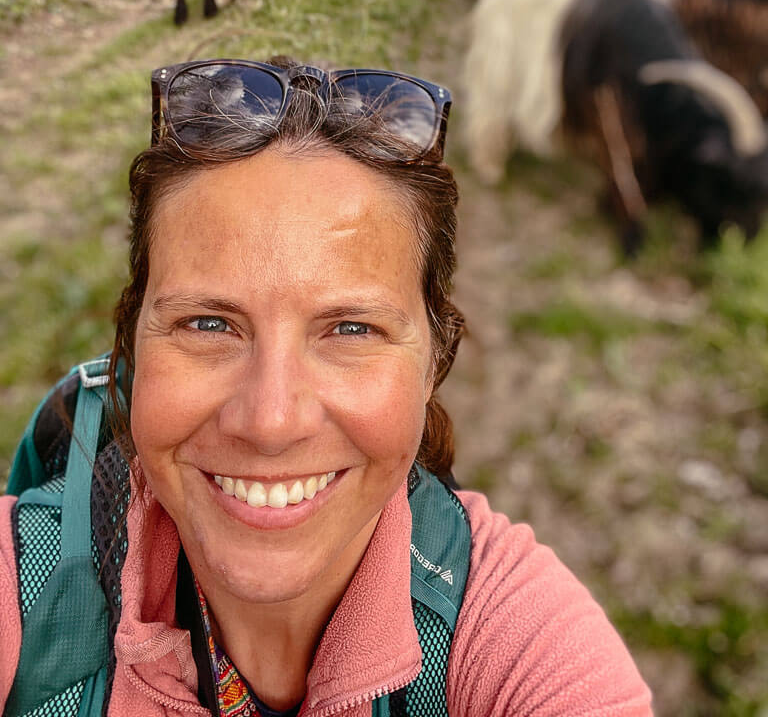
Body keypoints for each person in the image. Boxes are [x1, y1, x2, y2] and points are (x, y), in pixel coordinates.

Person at [0, 57, 653, 716]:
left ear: (435, 361)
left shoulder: (517, 640)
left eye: (350, 329)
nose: (271, 422)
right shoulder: (23, 584)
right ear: (132, 340)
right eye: (208, 324)